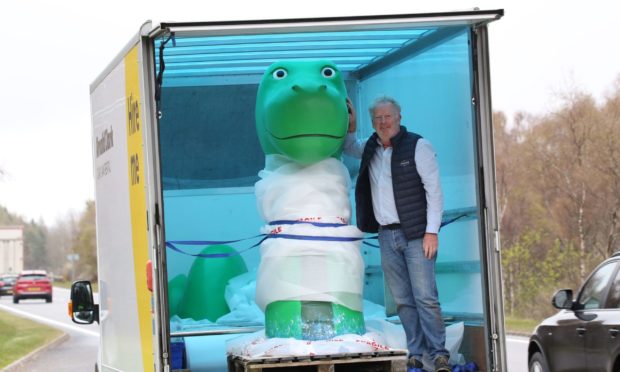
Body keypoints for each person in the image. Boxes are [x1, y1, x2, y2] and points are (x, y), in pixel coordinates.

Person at [343, 96, 451, 372]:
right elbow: (349, 147)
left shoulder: (419, 146)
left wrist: (432, 232)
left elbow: (434, 193)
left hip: (416, 234)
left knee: (425, 297)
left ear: (399, 117)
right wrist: (351, 125)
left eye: (387, 116)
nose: (383, 122)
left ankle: (438, 354)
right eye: (377, 118)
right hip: (386, 236)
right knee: (402, 299)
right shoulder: (371, 147)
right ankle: (416, 352)